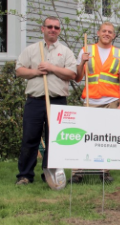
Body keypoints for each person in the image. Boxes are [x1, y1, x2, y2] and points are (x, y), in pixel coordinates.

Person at [15, 16, 77, 185]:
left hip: (57, 101)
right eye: (49, 27)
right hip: (35, 101)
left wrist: (51, 68)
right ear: (42, 29)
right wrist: (36, 72)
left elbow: (72, 74)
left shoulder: (65, 52)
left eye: (56, 27)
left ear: (59, 31)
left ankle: (49, 173)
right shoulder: (32, 50)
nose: (53, 30)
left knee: (56, 140)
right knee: (30, 138)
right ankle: (25, 175)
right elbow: (19, 71)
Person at [71, 21, 120, 183]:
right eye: (104, 31)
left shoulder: (119, 54)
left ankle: (104, 171)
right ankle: (78, 172)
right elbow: (77, 77)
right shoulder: (86, 50)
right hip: (91, 100)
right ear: (98, 32)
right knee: (84, 136)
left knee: (107, 137)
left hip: (111, 101)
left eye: (110, 32)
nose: (107, 34)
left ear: (114, 35)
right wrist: (82, 61)